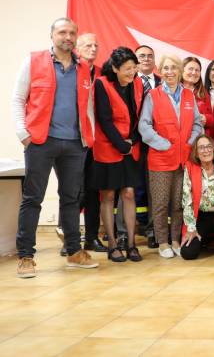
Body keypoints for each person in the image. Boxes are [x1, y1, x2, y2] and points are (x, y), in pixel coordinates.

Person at [12, 17, 99, 278]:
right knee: (33, 199)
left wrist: (87, 138)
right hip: (40, 141)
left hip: (74, 143)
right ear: (52, 35)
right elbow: (18, 97)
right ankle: (26, 256)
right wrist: (22, 133)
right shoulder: (34, 61)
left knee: (71, 199)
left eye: (73, 33)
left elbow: (87, 105)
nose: (68, 37)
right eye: (63, 32)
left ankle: (74, 251)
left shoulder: (83, 68)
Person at [139, 54, 203, 258]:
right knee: (160, 204)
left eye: (173, 68)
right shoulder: (153, 96)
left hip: (183, 158)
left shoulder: (188, 96)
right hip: (160, 159)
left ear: (179, 71)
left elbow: (197, 124)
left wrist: (189, 142)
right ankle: (163, 242)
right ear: (161, 71)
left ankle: (175, 239)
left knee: (178, 203)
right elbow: (144, 126)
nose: (169, 72)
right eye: (165, 68)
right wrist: (164, 144)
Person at [56, 33, 106, 255]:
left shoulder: (102, 75)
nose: (93, 48)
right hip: (72, 140)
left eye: (96, 45)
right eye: (88, 45)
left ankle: (92, 238)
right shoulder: (71, 71)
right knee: (71, 191)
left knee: (93, 190)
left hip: (96, 141)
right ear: (77, 47)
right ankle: (69, 240)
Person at [92, 47, 144, 262]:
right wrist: (121, 145)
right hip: (108, 147)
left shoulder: (137, 84)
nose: (132, 73)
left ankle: (131, 244)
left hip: (130, 147)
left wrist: (132, 141)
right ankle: (112, 244)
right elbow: (104, 119)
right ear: (115, 68)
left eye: (134, 68)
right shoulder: (102, 83)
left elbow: (137, 114)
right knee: (108, 195)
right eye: (127, 69)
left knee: (129, 193)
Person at [180, 135, 214, 260]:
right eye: (201, 148)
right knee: (188, 253)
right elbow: (187, 199)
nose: (206, 150)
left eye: (209, 146)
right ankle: (203, 240)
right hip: (201, 216)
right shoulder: (190, 167)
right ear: (196, 153)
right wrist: (191, 228)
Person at [135, 44, 161, 249]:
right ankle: (127, 231)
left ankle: (153, 230)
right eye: (142, 56)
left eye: (150, 56)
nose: (146, 59)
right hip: (133, 144)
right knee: (130, 188)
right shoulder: (128, 82)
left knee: (155, 189)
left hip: (159, 143)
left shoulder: (163, 83)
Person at [182, 56, 213, 136]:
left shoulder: (203, 92)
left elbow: (212, 118)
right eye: (190, 69)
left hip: (199, 139)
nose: (194, 72)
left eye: (197, 70)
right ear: (182, 70)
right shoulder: (174, 90)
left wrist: (205, 118)